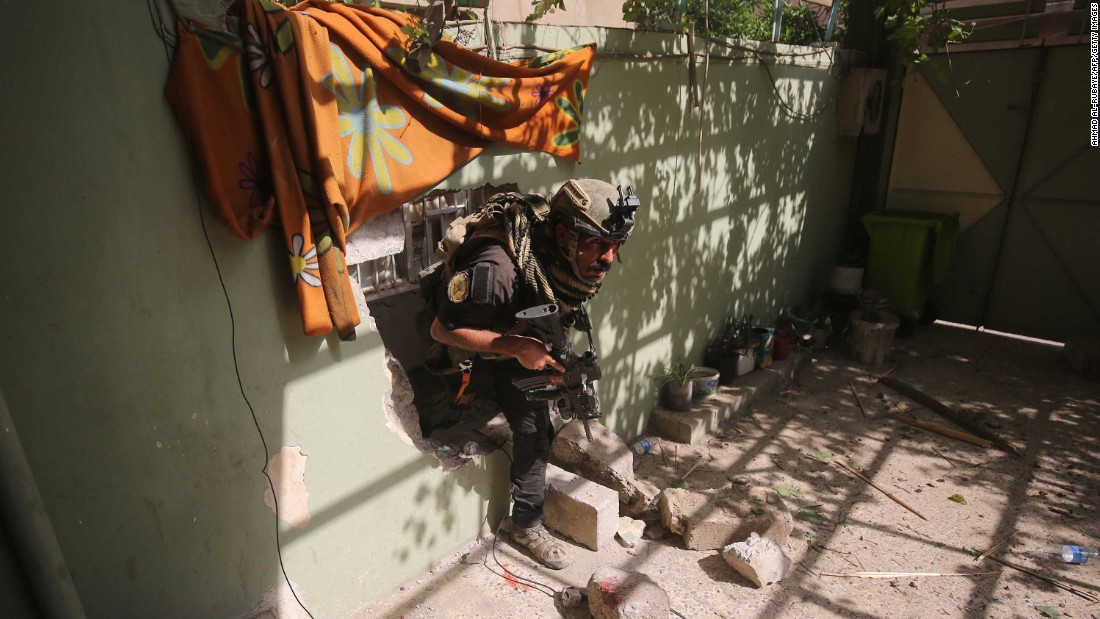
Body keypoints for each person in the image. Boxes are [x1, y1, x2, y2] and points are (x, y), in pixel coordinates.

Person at [427, 178, 640, 569]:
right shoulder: (495, 275)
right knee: (532, 429)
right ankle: (524, 524)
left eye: (615, 246)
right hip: (472, 331)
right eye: (597, 244)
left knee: (548, 402)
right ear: (563, 235)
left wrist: (550, 357)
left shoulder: (560, 258)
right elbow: (441, 330)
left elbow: (551, 301)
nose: (608, 257)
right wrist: (514, 347)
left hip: (518, 331)